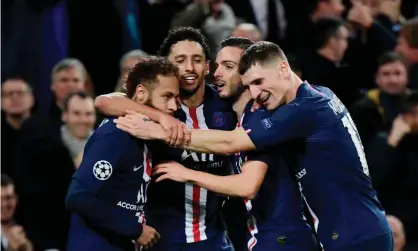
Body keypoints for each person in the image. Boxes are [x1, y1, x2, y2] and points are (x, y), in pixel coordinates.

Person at [113, 41, 393, 251]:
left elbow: (231, 145)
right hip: (351, 228)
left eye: (259, 81)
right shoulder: (320, 95)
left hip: (349, 233)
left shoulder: (299, 110)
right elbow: (105, 101)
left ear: (283, 69)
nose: (257, 93)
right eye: (251, 85)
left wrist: (161, 132)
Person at [146, 37, 319, 251]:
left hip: (283, 239)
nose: (217, 73)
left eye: (228, 67)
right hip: (261, 236)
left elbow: (246, 184)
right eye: (218, 65)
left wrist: (186, 172)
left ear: (247, 74)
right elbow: (108, 101)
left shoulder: (262, 120)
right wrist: (158, 117)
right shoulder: (241, 118)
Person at [94, 27, 236, 251]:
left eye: (197, 60)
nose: (189, 67)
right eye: (180, 60)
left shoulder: (226, 103)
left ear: (208, 66)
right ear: (167, 66)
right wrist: (160, 117)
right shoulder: (156, 105)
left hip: (215, 238)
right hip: (163, 239)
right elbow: (103, 102)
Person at [65, 56, 180, 251]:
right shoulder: (116, 133)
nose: (174, 107)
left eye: (176, 99)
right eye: (167, 97)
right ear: (141, 94)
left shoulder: (145, 137)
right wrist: (134, 229)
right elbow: (79, 197)